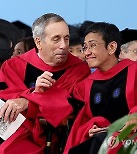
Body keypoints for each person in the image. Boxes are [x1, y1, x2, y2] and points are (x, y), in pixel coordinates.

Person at [64, 22, 137, 154]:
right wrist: (89, 129)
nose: (87, 52)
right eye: (85, 47)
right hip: (101, 144)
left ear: (112, 47)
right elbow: (80, 125)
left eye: (93, 45)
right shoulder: (86, 85)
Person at [0, 13, 90, 154]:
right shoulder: (13, 66)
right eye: (56, 39)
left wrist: (28, 102)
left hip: (54, 140)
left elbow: (73, 105)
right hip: (14, 135)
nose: (63, 46)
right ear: (38, 42)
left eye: (66, 38)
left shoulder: (79, 69)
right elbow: (6, 101)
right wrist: (35, 95)